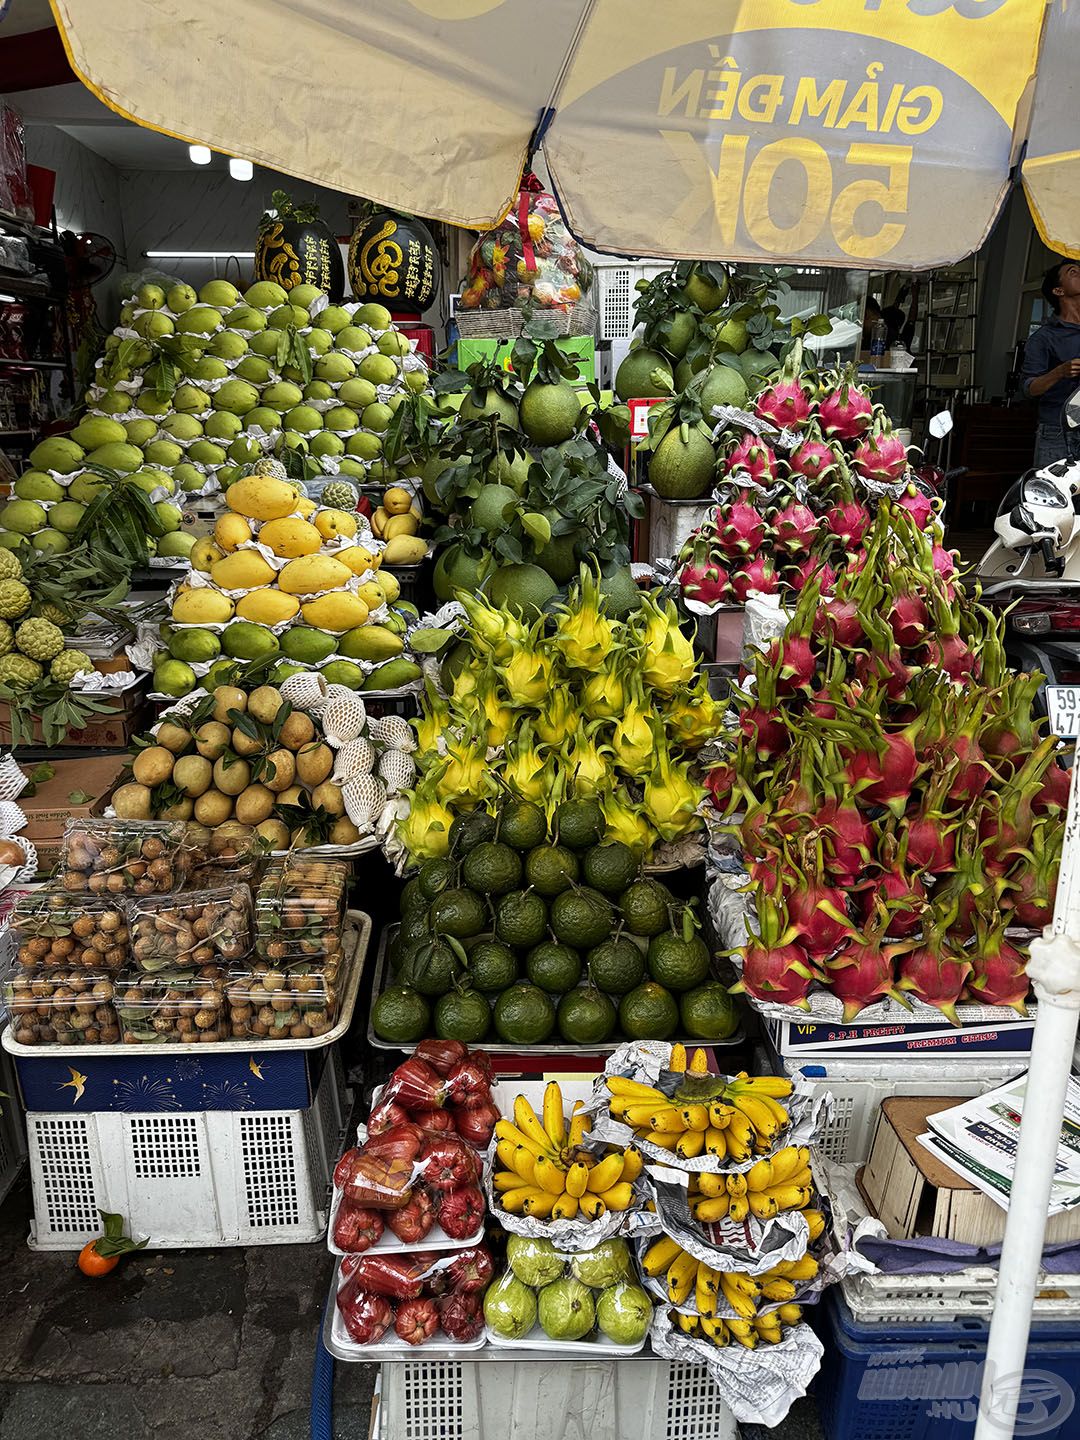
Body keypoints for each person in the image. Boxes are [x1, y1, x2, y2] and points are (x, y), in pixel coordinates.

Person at [1021, 260, 1080, 468]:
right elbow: (1029, 388)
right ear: (1058, 290)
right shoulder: (1043, 338)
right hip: (1057, 431)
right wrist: (1060, 371)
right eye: (1073, 272)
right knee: (1056, 497)